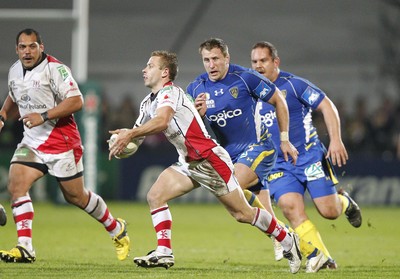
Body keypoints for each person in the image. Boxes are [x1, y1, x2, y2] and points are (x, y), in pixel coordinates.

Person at [108, 50, 302, 273]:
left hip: (209, 160)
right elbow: (138, 134)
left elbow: (162, 122)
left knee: (242, 214)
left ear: (164, 72)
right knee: (155, 195)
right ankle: (164, 252)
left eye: (150, 66)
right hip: (188, 162)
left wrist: (130, 135)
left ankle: (287, 239)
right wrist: (124, 140)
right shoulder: (147, 103)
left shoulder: (170, 93)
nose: (144, 69)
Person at [0, 28, 130, 263]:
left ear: (42, 46)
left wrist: (44, 115)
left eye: (32, 46)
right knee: (16, 183)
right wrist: (2, 115)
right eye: (22, 47)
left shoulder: (55, 69)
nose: (27, 51)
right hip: (32, 140)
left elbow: (76, 101)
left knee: (76, 196)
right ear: (16, 49)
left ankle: (115, 227)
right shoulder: (14, 71)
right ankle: (25, 247)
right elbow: (13, 95)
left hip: (61, 141)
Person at [250, 41, 362, 270]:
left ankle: (344, 201)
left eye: (263, 60)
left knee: (328, 211)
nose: (258, 66)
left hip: (309, 157)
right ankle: (323, 258)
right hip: (278, 163)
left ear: (275, 62)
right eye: (254, 62)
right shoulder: (250, 91)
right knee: (290, 207)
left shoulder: (294, 85)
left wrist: (336, 139)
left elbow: (327, 106)